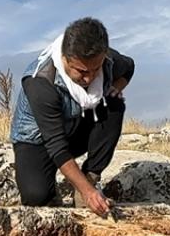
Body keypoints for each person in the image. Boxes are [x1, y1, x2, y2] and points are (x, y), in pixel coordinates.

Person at [9, 17, 134, 216]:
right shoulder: (40, 82)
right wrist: (88, 192)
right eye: (81, 71)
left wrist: (115, 88)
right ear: (65, 58)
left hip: (75, 127)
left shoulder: (107, 59)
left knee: (114, 104)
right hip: (37, 141)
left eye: (95, 69)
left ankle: (90, 177)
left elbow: (129, 67)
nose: (89, 78)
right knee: (36, 197)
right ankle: (60, 194)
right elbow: (56, 145)